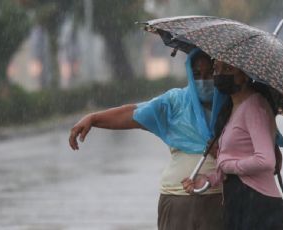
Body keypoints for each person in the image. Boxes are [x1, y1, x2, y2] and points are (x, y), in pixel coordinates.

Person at [69, 49, 227, 230]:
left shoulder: (232, 104)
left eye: (210, 74)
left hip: (219, 198)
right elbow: (134, 113)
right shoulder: (175, 102)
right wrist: (94, 118)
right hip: (176, 199)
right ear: (189, 74)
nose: (203, 81)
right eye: (197, 74)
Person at [182, 60, 283, 230]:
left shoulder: (254, 106)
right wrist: (207, 180)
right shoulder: (231, 108)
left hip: (259, 206)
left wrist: (228, 165)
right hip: (239, 204)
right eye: (216, 69)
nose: (220, 75)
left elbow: (266, 161)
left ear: (245, 75)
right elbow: (235, 159)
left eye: (228, 69)